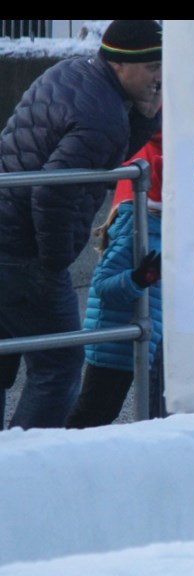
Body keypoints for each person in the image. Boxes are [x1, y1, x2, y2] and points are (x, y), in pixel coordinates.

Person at [0, 19, 162, 429]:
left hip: (6, 231)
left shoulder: (71, 72)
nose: (161, 77)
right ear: (122, 65)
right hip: (23, 251)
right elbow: (53, 191)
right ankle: (27, 467)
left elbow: (105, 154)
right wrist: (54, 263)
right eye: (152, 66)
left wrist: (145, 116)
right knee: (59, 365)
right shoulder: (102, 114)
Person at [64, 130, 164, 429]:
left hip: (131, 340)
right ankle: (57, 458)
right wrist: (137, 278)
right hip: (115, 343)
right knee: (92, 415)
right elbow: (104, 285)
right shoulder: (138, 231)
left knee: (99, 413)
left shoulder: (156, 230)